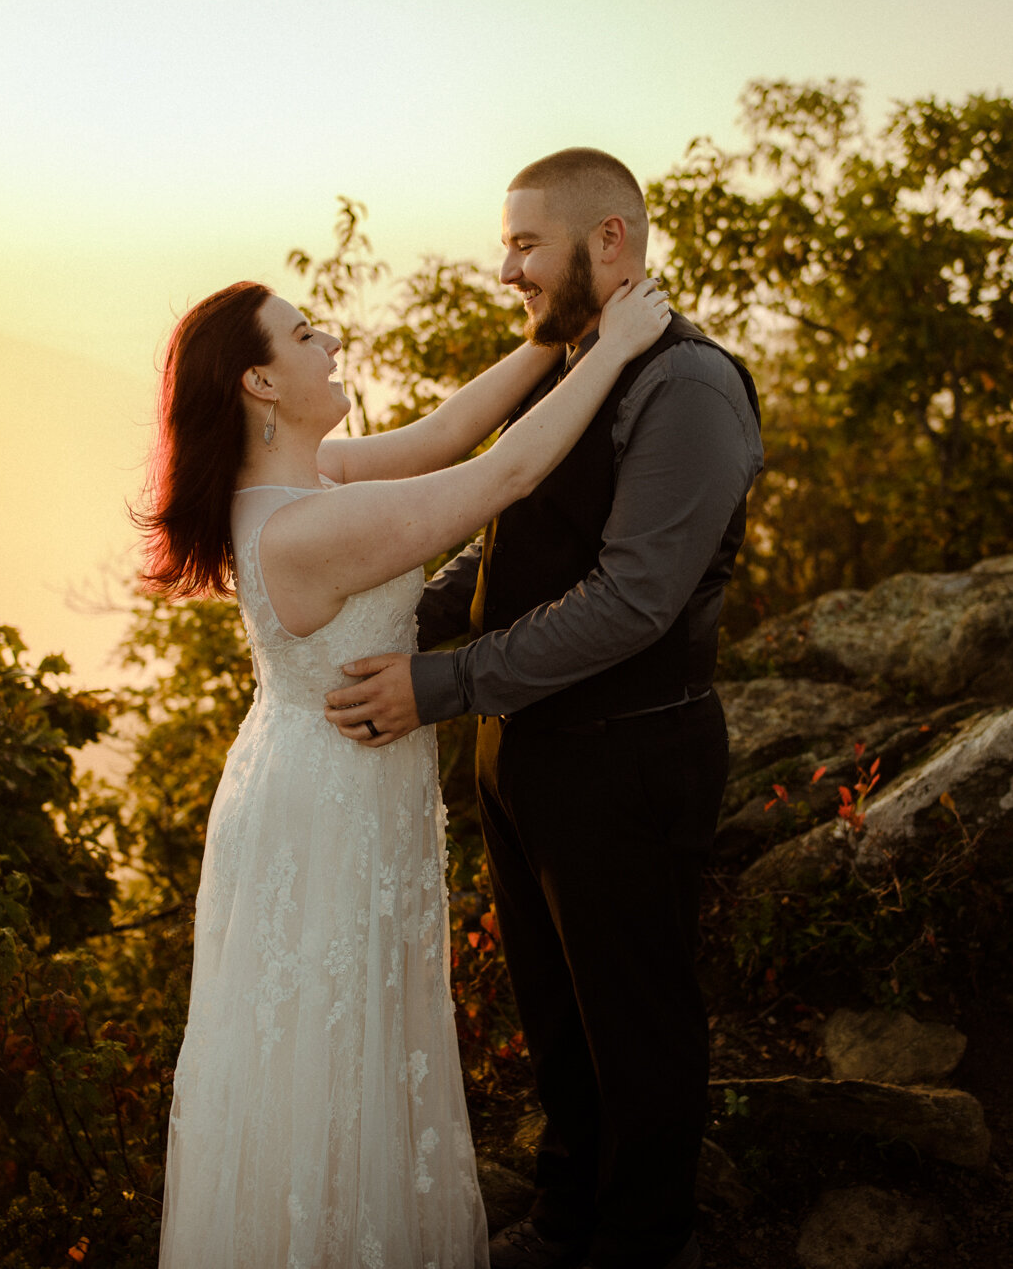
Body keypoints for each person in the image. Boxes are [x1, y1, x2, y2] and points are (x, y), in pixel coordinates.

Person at [140, 268, 672, 1267]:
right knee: (328, 1051)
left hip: (324, 768)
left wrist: (550, 339)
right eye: (303, 337)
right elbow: (498, 476)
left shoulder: (305, 481)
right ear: (258, 383)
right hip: (327, 793)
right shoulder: (307, 525)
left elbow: (439, 435)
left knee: (349, 1033)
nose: (328, 343)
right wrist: (614, 351)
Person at [324, 149, 764, 1269]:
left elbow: (630, 600)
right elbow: (516, 538)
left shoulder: (688, 388)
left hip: (625, 757)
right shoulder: (570, 361)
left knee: (637, 1025)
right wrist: (405, 620)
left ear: (607, 239)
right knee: (558, 1018)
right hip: (521, 753)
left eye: (526, 242)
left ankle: (640, 1239)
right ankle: (569, 1213)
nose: (505, 265)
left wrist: (441, 685)